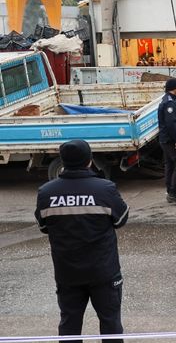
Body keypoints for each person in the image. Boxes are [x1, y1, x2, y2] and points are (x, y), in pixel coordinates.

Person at [35, 139, 129, 342]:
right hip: (104, 271)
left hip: (67, 272)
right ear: (89, 160)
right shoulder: (105, 188)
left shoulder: (46, 192)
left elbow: (44, 227)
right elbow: (121, 220)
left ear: (63, 161)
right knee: (111, 323)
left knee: (69, 325)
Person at [157, 78, 176, 206]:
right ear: (173, 88)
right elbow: (171, 124)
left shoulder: (168, 100)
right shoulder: (170, 103)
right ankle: (173, 193)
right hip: (170, 140)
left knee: (169, 165)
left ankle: (171, 192)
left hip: (165, 140)